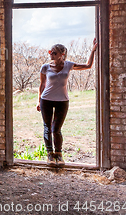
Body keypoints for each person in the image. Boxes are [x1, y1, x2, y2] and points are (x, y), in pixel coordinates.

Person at [37, 38, 98, 166]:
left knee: (56, 129)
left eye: (53, 52)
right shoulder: (45, 67)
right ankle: (50, 155)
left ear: (62, 54)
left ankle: (59, 155)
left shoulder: (69, 65)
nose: (50, 54)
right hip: (46, 100)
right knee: (47, 127)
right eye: (50, 51)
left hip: (62, 101)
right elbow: (42, 85)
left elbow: (88, 65)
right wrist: (38, 101)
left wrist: (93, 50)